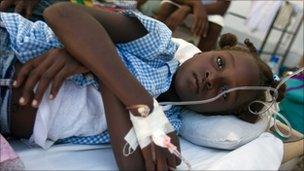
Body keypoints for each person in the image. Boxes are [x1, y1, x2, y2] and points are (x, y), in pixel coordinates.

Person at [0, 2, 285, 170]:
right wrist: (139, 100)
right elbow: (61, 14)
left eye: (223, 93)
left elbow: (133, 166)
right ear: (209, 51)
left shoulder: (166, 128)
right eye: (220, 63)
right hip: (9, 50)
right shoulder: (157, 45)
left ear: (216, 113)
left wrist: (100, 69)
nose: (212, 78)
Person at [139, 0, 230, 52]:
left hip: (206, 11)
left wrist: (189, 9)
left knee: (218, 22)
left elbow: (222, 8)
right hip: (182, 3)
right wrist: (195, 4)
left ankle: (199, 58)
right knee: (168, 6)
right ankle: (149, 45)